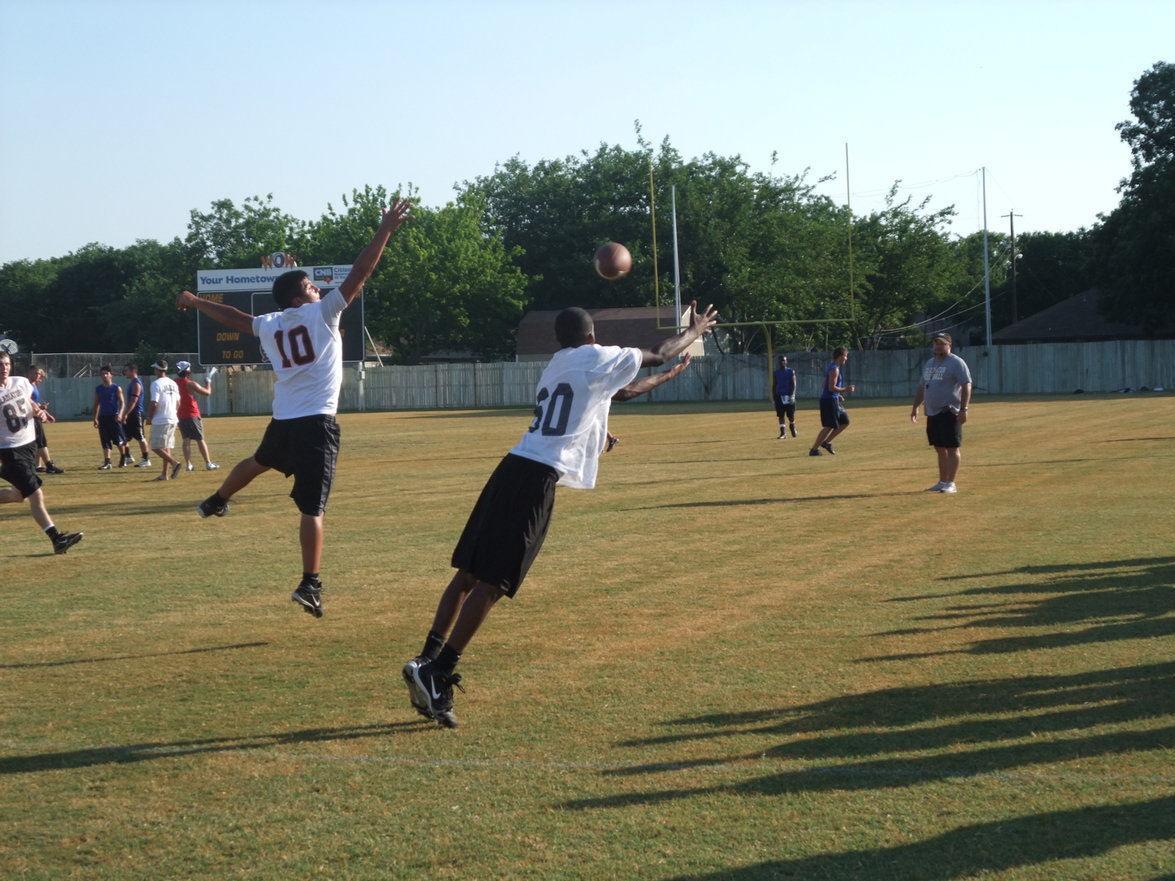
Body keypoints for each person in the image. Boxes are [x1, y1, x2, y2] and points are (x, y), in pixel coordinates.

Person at [402, 300, 717, 729]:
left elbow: (620, 392)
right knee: (494, 583)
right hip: (535, 479)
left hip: (511, 465)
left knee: (469, 572)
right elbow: (659, 350)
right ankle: (438, 673)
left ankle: (427, 657)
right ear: (591, 336)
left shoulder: (558, 364)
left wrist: (665, 377)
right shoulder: (599, 356)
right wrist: (694, 331)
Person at [177, 195, 414, 617]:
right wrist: (386, 229)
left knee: (260, 459)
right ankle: (310, 583)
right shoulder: (322, 314)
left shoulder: (269, 324)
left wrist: (195, 302)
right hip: (316, 423)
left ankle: (215, 499)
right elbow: (362, 272)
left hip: (284, 418)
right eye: (310, 286)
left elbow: (232, 317)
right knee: (312, 507)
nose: (317, 289)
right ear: (298, 297)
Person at [0, 350, 83, 554]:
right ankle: (57, 539)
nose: (4, 368)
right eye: (0, 365)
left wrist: (39, 410)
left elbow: (27, 400)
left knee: (20, 496)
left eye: (7, 364)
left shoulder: (20, 382)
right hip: (10, 450)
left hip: (28, 444)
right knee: (36, 494)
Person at [911, 332, 972, 494]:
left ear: (949, 346)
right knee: (939, 447)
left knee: (952, 447)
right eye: (936, 343)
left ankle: (951, 483)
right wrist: (915, 406)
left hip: (949, 411)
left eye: (942, 343)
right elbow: (922, 387)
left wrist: (964, 409)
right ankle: (942, 481)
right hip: (932, 412)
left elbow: (966, 385)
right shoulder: (930, 363)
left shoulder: (956, 363)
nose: (938, 346)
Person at [809, 347, 855, 456]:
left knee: (845, 421)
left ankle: (827, 442)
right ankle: (814, 450)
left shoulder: (833, 368)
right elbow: (830, 387)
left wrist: (838, 395)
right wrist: (846, 389)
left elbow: (824, 384)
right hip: (829, 401)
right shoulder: (834, 369)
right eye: (845, 356)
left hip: (833, 399)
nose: (846, 359)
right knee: (829, 426)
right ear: (840, 356)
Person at [174, 361, 219, 471]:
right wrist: (208, 382)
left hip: (180, 415)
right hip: (192, 415)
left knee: (186, 439)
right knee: (200, 439)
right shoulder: (191, 384)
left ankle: (189, 464)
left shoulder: (174, 383)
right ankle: (208, 463)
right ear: (188, 371)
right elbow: (207, 392)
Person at [146, 360, 182, 481]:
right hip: (172, 418)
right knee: (166, 447)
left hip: (161, 419)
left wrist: (150, 417)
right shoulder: (173, 383)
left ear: (157, 370)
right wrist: (173, 412)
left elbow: (154, 402)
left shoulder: (156, 384)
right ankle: (164, 475)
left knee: (155, 446)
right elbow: (178, 403)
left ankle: (174, 463)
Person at [26, 366, 65, 474]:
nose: (37, 376)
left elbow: (35, 402)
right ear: (29, 373)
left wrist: (46, 413)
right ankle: (50, 466)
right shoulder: (27, 385)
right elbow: (27, 402)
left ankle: (37, 466)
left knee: (38, 442)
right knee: (41, 442)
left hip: (37, 416)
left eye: (39, 374)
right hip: (32, 417)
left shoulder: (34, 385)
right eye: (35, 373)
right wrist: (40, 410)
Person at [92, 365, 129, 469]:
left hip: (114, 417)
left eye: (106, 374)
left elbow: (122, 403)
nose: (104, 376)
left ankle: (123, 458)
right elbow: (96, 404)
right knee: (105, 440)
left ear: (111, 375)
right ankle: (107, 462)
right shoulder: (98, 389)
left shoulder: (116, 388)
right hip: (103, 417)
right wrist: (95, 417)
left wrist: (120, 413)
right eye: (102, 374)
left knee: (119, 440)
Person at [121, 362, 153, 467]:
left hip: (135, 414)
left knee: (140, 437)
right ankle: (128, 456)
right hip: (131, 413)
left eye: (126, 370)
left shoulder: (136, 384)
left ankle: (146, 459)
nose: (125, 372)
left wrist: (125, 413)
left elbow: (134, 401)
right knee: (123, 436)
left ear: (133, 371)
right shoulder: (132, 383)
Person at [772, 355, 798, 439]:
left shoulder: (791, 371)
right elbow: (774, 385)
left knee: (791, 415)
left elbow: (794, 384)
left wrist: (793, 395)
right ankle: (783, 433)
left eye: (783, 360)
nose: (782, 362)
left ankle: (792, 425)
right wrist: (773, 398)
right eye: (780, 361)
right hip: (779, 396)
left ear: (786, 361)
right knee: (780, 415)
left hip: (789, 396)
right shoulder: (776, 373)